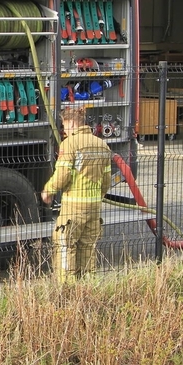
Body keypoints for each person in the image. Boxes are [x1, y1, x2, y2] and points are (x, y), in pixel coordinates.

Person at [41, 104, 112, 281]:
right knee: (88, 247)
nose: (64, 131)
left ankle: (67, 287)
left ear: (72, 123)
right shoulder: (102, 145)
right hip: (94, 208)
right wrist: (97, 197)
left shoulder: (70, 144)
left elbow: (63, 174)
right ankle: (88, 286)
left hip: (73, 206)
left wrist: (48, 190)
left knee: (65, 244)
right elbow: (106, 181)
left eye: (65, 126)